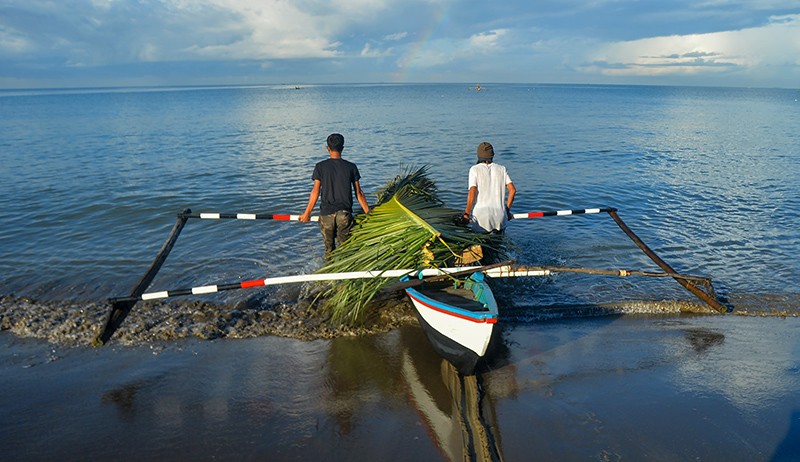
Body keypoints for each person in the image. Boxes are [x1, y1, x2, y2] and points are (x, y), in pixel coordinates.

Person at [299, 133, 370, 256]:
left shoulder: (320, 167)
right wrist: (368, 213)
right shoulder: (351, 167)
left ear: (328, 148)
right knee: (345, 250)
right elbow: (359, 193)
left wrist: (307, 213)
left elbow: (315, 191)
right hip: (344, 215)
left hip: (326, 215)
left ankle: (329, 270)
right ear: (342, 148)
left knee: (329, 251)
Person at [462, 141, 516, 233]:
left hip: (481, 217)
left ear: (478, 155)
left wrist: (466, 214)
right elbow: (512, 190)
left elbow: (472, 191)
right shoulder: (502, 169)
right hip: (500, 216)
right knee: (499, 243)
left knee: (481, 243)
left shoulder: (474, 169)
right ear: (492, 155)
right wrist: (507, 210)